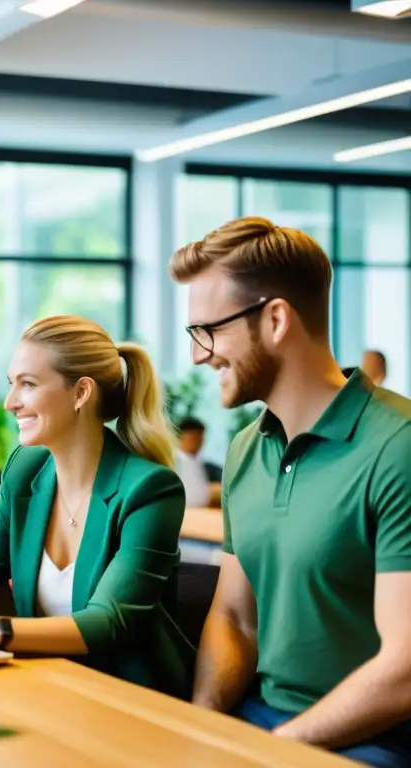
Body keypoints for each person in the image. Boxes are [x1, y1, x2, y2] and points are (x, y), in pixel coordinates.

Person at [170, 216, 411, 768]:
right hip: (264, 721)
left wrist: (266, 751)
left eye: (208, 331)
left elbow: (405, 671)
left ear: (276, 319)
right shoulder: (244, 452)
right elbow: (235, 619)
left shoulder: (398, 448)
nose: (199, 356)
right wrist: (198, 728)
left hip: (376, 740)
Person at [0, 315, 194, 699]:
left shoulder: (149, 490)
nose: (11, 403)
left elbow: (110, 621)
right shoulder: (25, 469)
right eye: (13, 384)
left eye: (27, 385)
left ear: (81, 393)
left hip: (129, 697)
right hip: (48, 682)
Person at [174, 416, 221, 507]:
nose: (199, 441)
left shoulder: (199, 463)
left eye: (201, 437)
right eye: (194, 436)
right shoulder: (175, 459)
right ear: (182, 436)